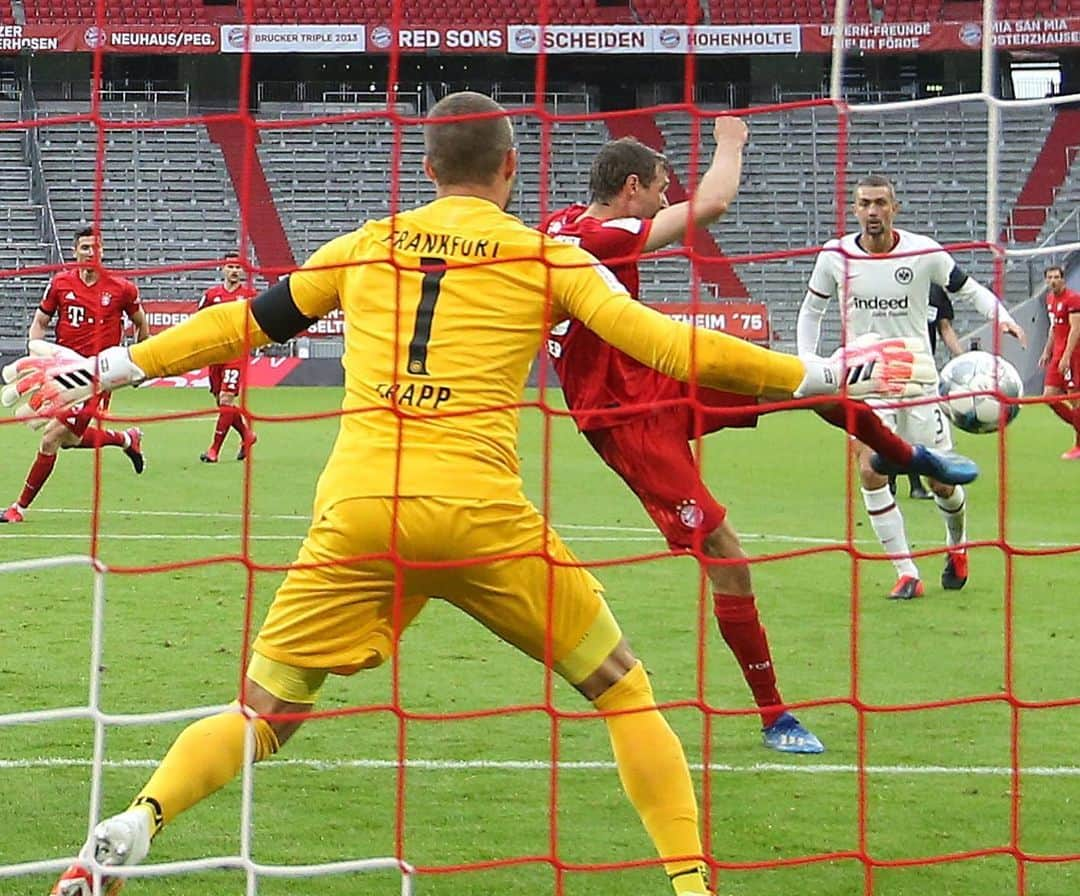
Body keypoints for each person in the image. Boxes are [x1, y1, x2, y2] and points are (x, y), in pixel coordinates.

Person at [4, 93, 932, 896]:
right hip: (482, 515)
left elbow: (241, 324)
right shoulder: (543, 255)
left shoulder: (372, 244)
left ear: (428, 165)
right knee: (623, 692)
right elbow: (669, 346)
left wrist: (106, 369)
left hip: (361, 510)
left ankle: (137, 821)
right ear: (512, 167)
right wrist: (822, 371)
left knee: (262, 714)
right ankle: (690, 883)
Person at [543, 131, 976, 752]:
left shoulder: (562, 225)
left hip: (659, 377)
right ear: (631, 188)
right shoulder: (602, 238)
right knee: (728, 554)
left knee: (814, 385)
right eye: (662, 189)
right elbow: (714, 202)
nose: (669, 198)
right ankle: (775, 716)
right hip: (625, 422)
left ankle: (909, 455)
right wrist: (729, 139)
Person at [797, 174, 1026, 599]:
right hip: (864, 380)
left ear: (894, 208)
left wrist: (1002, 317)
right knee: (869, 468)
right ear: (855, 209)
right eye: (865, 203)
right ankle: (906, 572)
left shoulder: (924, 252)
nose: (872, 212)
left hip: (918, 378)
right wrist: (807, 364)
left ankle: (957, 547)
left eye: (881, 203)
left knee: (940, 481)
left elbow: (969, 288)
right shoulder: (835, 256)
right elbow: (812, 310)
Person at [0, 226, 147, 525]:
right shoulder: (60, 284)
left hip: (98, 376)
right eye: (84, 248)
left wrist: (140, 363)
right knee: (68, 439)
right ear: (75, 251)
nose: (90, 253)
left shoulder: (121, 289)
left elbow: (141, 324)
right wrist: (36, 354)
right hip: (63, 373)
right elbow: (40, 321)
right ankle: (126, 439)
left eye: (96, 247)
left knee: (51, 437)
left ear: (102, 251)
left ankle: (18, 508)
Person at [893, 283, 964, 499]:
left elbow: (945, 328)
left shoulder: (934, 291)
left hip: (922, 370)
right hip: (890, 365)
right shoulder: (892, 285)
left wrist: (962, 358)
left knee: (918, 428)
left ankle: (916, 485)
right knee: (890, 425)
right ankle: (888, 482)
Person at [197, 254, 257, 463]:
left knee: (226, 399)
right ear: (222, 269)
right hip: (215, 353)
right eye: (230, 266)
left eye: (237, 267)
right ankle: (247, 436)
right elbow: (198, 321)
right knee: (221, 401)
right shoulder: (212, 295)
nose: (234, 271)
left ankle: (214, 451)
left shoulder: (250, 295)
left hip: (236, 353)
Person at [1037, 264, 1080, 460]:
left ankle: (1078, 446)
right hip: (1057, 355)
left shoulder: (1073, 299)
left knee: (1074, 399)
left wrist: (1066, 356)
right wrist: (1047, 351)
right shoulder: (1050, 299)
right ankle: (1078, 423)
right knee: (1048, 397)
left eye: (1056, 277)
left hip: (1072, 355)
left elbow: (1076, 330)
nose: (1053, 281)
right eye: (1050, 277)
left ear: (1063, 279)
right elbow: (1054, 328)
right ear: (1046, 280)